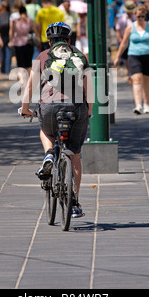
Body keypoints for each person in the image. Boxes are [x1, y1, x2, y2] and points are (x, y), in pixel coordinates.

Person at [20, 22, 93, 218]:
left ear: (49, 41)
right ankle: (75, 202)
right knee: (75, 155)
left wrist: (25, 109)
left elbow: (29, 87)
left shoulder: (43, 57)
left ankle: (50, 154)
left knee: (45, 131)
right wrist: (89, 111)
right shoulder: (80, 56)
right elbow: (90, 89)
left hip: (49, 107)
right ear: (69, 40)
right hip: (77, 108)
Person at [114, 5, 149, 114]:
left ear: (145, 16)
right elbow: (124, 43)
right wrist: (117, 56)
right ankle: (138, 105)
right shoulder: (130, 27)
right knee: (136, 79)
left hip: (148, 55)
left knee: (147, 80)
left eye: (142, 16)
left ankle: (146, 104)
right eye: (138, 16)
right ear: (135, 15)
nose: (140, 18)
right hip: (134, 55)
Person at [9, 5, 38, 84]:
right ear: (25, 12)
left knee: (20, 64)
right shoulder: (29, 21)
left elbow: (11, 31)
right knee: (28, 64)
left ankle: (21, 80)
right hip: (28, 44)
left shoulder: (15, 21)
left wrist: (11, 41)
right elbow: (35, 31)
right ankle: (29, 81)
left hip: (18, 43)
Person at [115, 0, 136, 81]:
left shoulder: (135, 17)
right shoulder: (122, 18)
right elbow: (117, 29)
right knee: (127, 58)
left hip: (134, 40)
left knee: (133, 57)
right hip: (125, 40)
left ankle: (134, 72)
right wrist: (119, 39)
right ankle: (130, 73)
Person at [0, 1, 11, 74]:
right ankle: (7, 70)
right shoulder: (10, 15)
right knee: (8, 53)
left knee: (2, 53)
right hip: (8, 36)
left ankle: (2, 69)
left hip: (1, 36)